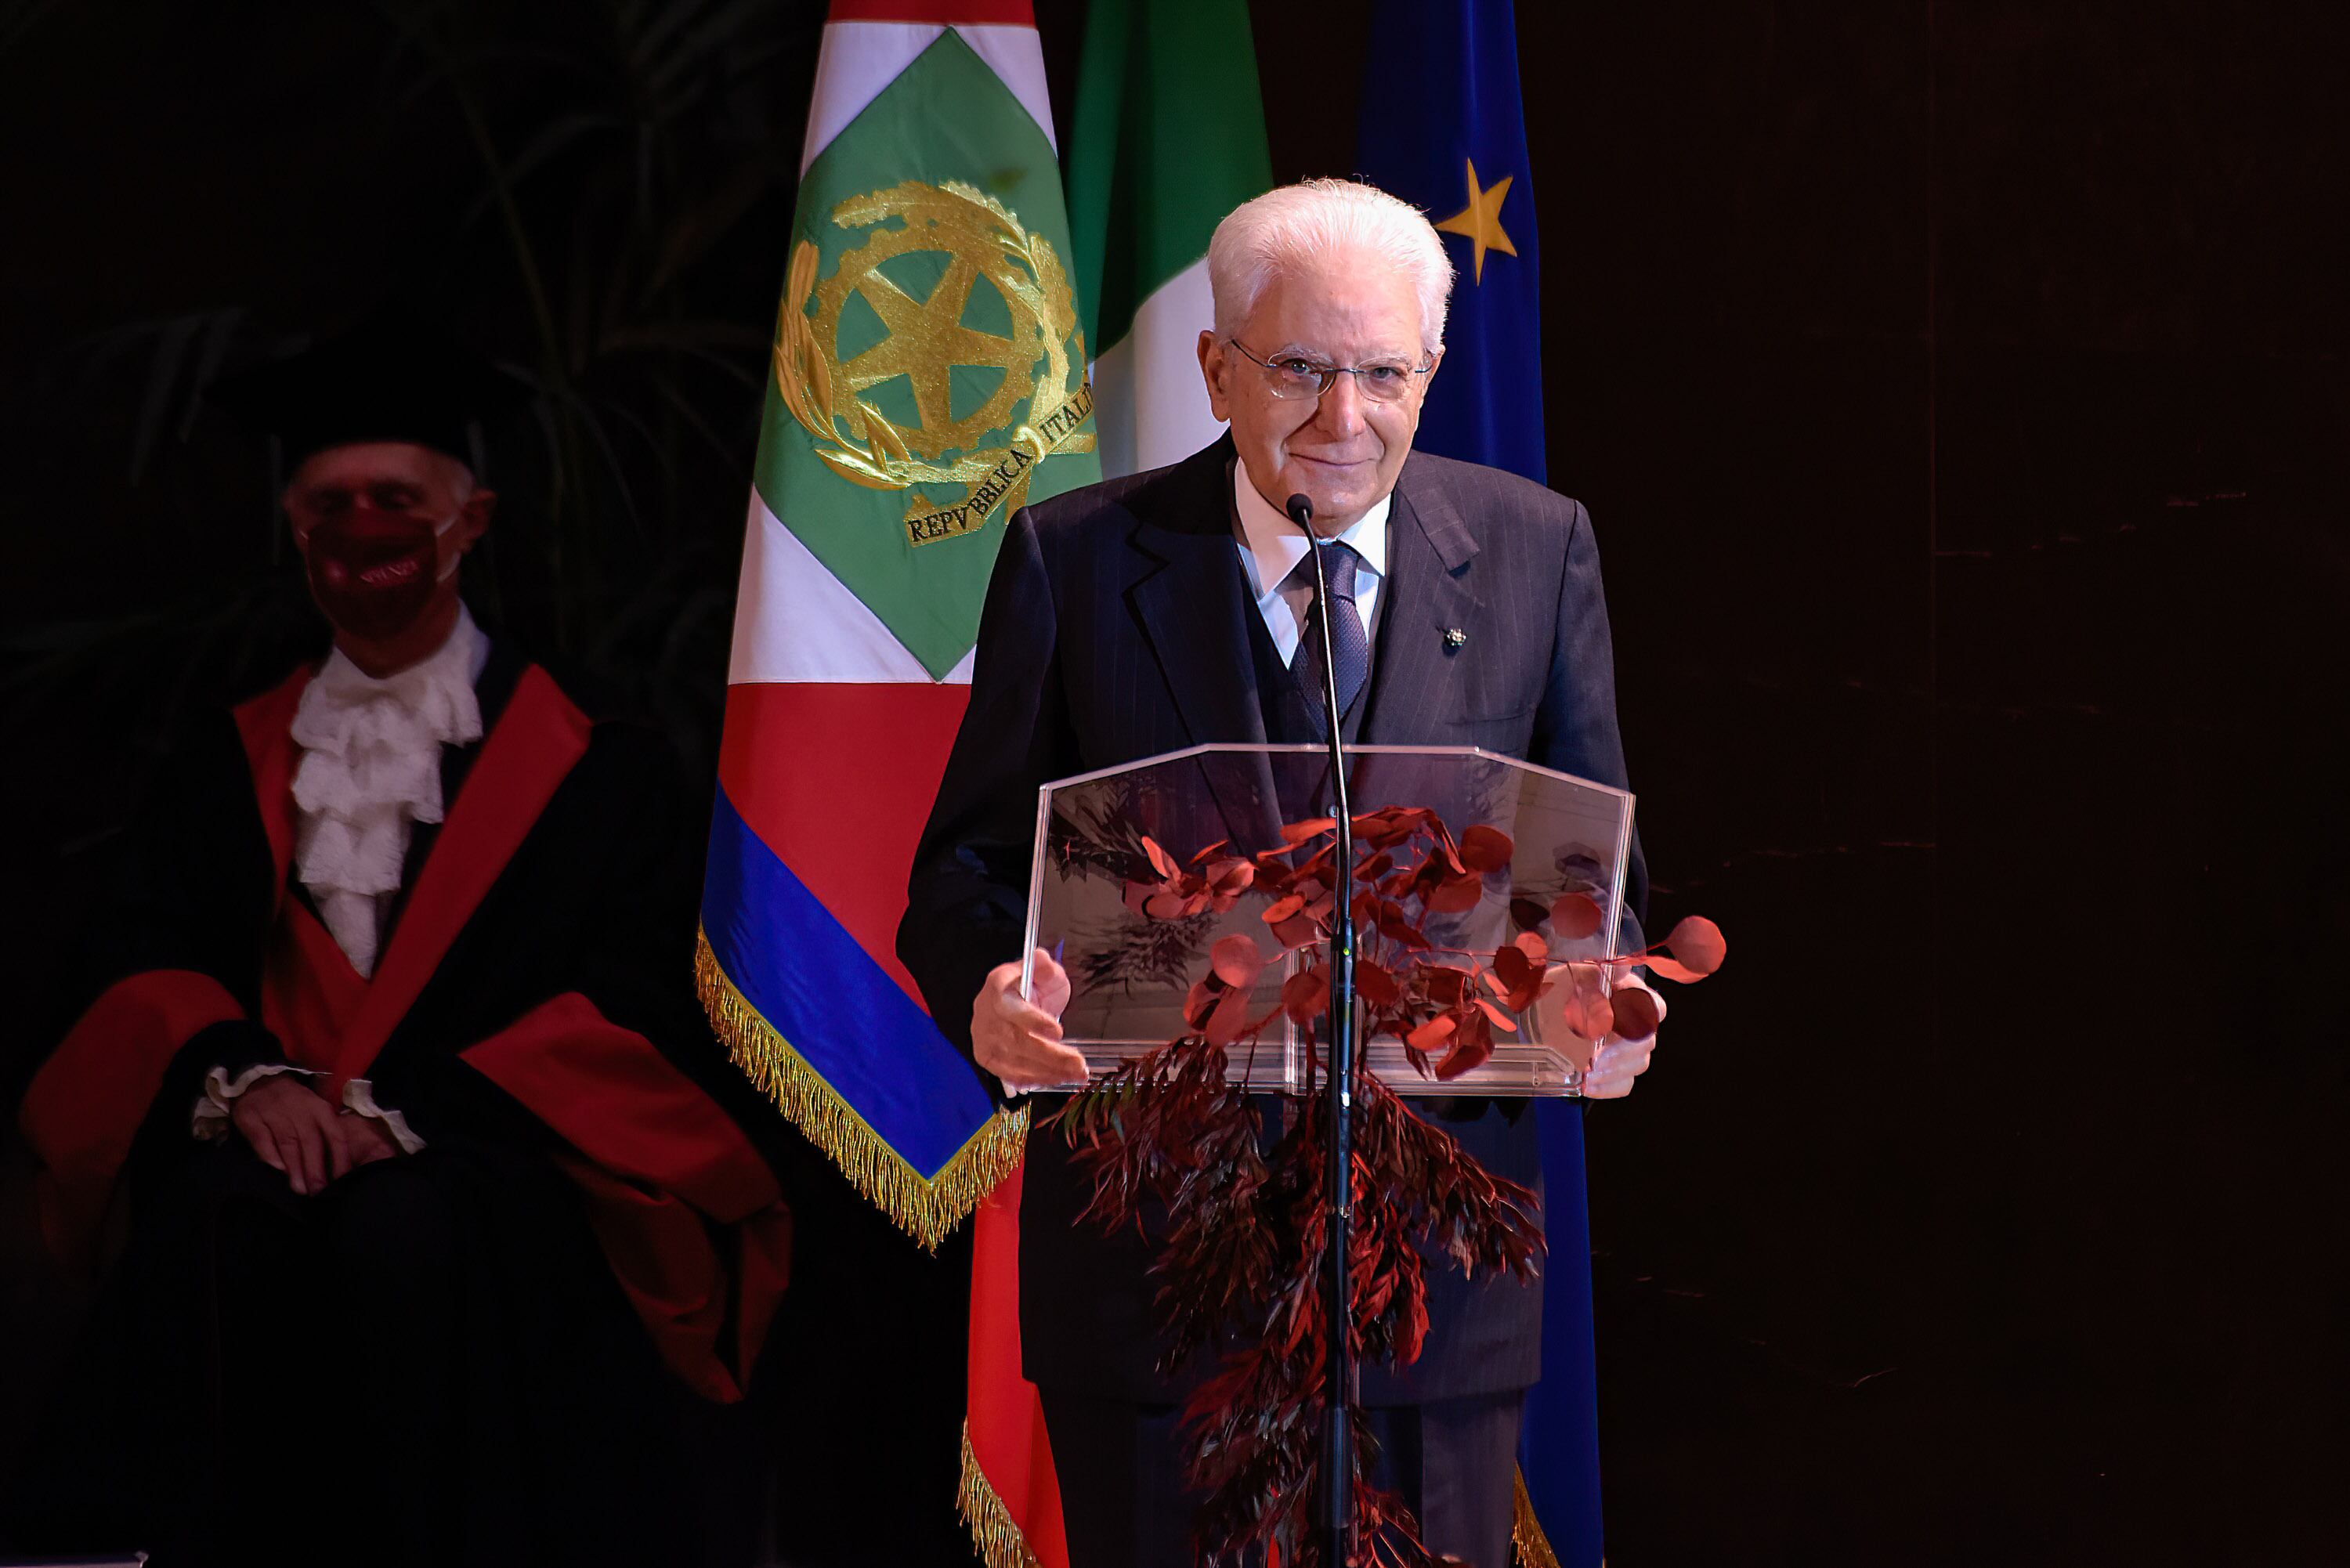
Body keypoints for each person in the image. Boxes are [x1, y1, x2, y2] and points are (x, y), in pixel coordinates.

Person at [898, 179, 1664, 1567]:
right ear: (1215, 369)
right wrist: (991, 994)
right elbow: (961, 865)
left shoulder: (1537, 554)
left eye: (1384, 373)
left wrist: (1598, 994)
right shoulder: (1075, 560)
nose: (1343, 419)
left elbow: (1591, 880)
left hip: (1429, 1275)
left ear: (1430, 372)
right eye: (1301, 370)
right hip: (1151, 1281)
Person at [7, 317, 791, 1567]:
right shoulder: (229, 755)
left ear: (468, 520)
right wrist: (244, 1078)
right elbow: (135, 955)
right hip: (269, 1152)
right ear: (292, 524)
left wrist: (410, 1111)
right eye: (331, 502)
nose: (361, 526)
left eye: (395, 499)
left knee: (405, 1233)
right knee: (225, 1217)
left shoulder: (599, 760)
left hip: (501, 1166)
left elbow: (641, 995)